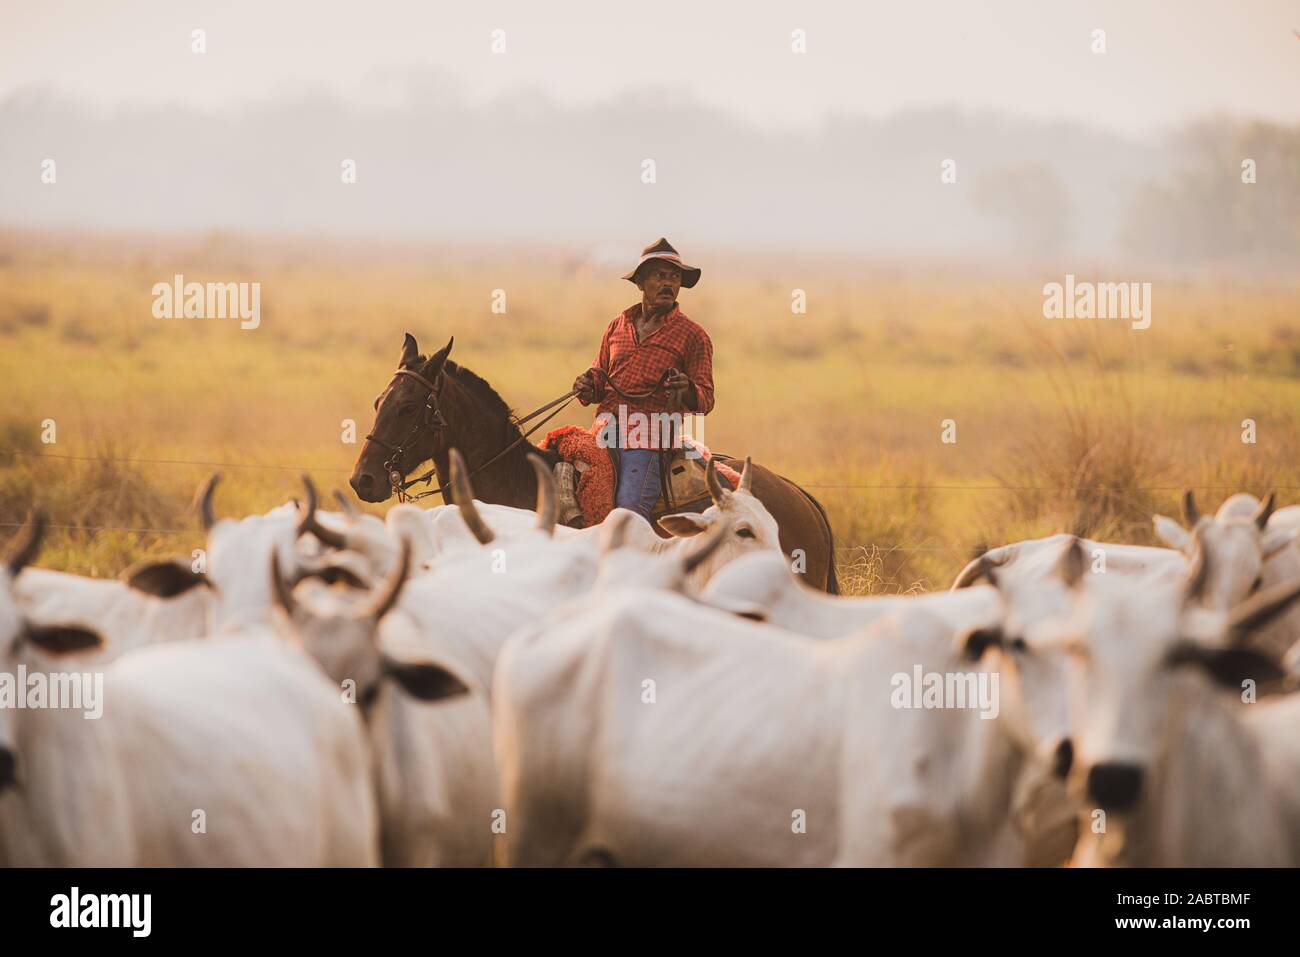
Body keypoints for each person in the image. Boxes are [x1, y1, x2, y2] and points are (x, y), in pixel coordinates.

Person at [572, 237, 715, 523]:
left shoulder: (693, 336)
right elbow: (599, 378)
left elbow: (706, 400)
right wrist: (586, 385)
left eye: (674, 278)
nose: (668, 284)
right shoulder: (617, 325)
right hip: (606, 429)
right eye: (659, 276)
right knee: (558, 481)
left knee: (627, 513)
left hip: (650, 436)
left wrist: (686, 388)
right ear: (640, 283)